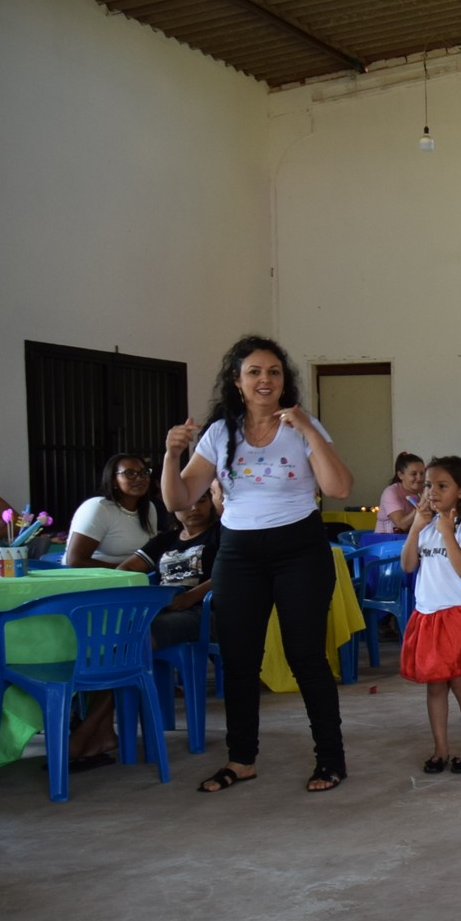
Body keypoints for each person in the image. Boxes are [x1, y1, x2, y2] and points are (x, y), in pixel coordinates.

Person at [162, 335, 355, 794]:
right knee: (238, 658)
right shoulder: (219, 433)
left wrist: (309, 430)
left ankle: (330, 759)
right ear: (237, 381)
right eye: (254, 372)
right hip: (239, 553)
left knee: (305, 655)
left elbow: (340, 487)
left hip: (300, 550)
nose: (264, 380)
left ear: (283, 381)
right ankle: (241, 758)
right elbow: (180, 498)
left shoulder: (303, 426)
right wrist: (171, 455)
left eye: (273, 372)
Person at [67, 489, 222, 771]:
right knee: (111, 638)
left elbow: (230, 572)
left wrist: (190, 597)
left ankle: (90, 730)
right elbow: (127, 570)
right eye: (186, 502)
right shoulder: (165, 540)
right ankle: (98, 731)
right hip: (161, 611)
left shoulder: (221, 534)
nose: (194, 508)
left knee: (133, 641)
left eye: (201, 500)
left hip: (204, 613)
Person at [401, 457, 461, 774]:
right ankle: (440, 748)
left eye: (442, 485)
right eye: (428, 485)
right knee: (434, 686)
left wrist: (446, 532)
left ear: (460, 491)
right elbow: (408, 565)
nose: (432, 491)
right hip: (427, 614)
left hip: (456, 615)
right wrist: (416, 527)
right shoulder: (426, 524)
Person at [64, 454, 163, 567]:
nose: (139, 478)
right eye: (130, 473)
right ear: (114, 480)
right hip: (94, 579)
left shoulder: (149, 508)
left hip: (134, 578)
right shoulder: (99, 507)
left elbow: (151, 552)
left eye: (144, 473)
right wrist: (125, 570)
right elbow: (75, 561)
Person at [375, 452, 425, 532]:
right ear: (400, 475)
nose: (419, 478)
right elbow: (401, 525)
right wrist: (422, 505)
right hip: (387, 542)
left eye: (422, 474)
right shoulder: (391, 492)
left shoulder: (423, 490)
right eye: (414, 474)